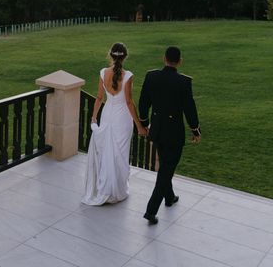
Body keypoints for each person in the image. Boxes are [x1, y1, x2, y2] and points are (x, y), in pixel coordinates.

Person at [138, 46, 201, 224]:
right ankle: (151, 211)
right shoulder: (183, 82)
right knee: (166, 170)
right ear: (179, 61)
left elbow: (143, 103)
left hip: (157, 130)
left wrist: (144, 123)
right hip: (174, 133)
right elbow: (190, 109)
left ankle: (170, 197)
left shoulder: (151, 77)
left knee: (165, 164)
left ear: (164, 58)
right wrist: (195, 129)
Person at [82, 42, 148, 205]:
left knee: (107, 153)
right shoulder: (128, 76)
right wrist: (139, 125)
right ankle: (116, 190)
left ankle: (106, 188)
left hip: (107, 115)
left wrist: (94, 116)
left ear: (110, 55)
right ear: (125, 57)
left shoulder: (103, 73)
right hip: (122, 119)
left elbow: (99, 98)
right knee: (120, 154)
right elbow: (129, 102)